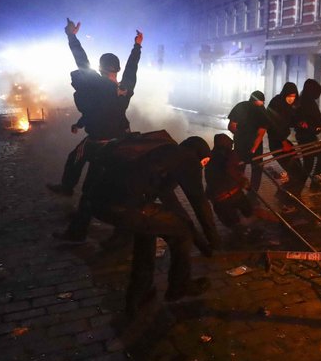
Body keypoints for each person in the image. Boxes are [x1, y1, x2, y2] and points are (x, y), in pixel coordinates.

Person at [63, 131, 221, 314]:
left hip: (98, 202)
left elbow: (169, 199)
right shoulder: (187, 158)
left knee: (148, 232)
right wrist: (214, 241)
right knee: (183, 232)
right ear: (199, 154)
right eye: (205, 161)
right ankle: (180, 286)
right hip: (126, 207)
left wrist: (201, 242)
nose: (203, 166)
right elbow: (199, 202)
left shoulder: (162, 152)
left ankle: (138, 296)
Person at [48, 18, 142, 196]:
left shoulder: (96, 84)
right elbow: (132, 68)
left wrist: (71, 36)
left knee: (74, 156)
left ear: (100, 68)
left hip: (99, 138)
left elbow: (81, 59)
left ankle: (67, 187)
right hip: (121, 136)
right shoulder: (126, 87)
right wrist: (137, 46)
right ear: (117, 70)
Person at [205, 134, 258, 242]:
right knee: (247, 220)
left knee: (238, 223)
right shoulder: (230, 155)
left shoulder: (210, 158)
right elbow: (232, 171)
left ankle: (241, 231)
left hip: (220, 200)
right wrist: (245, 184)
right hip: (231, 196)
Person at [266, 82, 306, 200]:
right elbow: (273, 125)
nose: (291, 98)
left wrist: (299, 123)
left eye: (294, 96)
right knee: (296, 172)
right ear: (284, 94)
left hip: (284, 141)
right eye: (289, 95)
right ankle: (287, 197)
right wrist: (283, 142)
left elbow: (290, 121)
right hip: (277, 143)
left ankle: (286, 195)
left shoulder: (288, 107)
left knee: (299, 170)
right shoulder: (276, 103)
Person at [227, 90, 268, 193]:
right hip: (246, 145)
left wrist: (252, 146)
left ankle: (241, 192)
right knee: (250, 168)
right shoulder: (246, 108)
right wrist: (252, 147)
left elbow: (231, 126)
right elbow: (261, 133)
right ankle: (245, 192)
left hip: (246, 144)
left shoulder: (242, 106)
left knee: (245, 168)